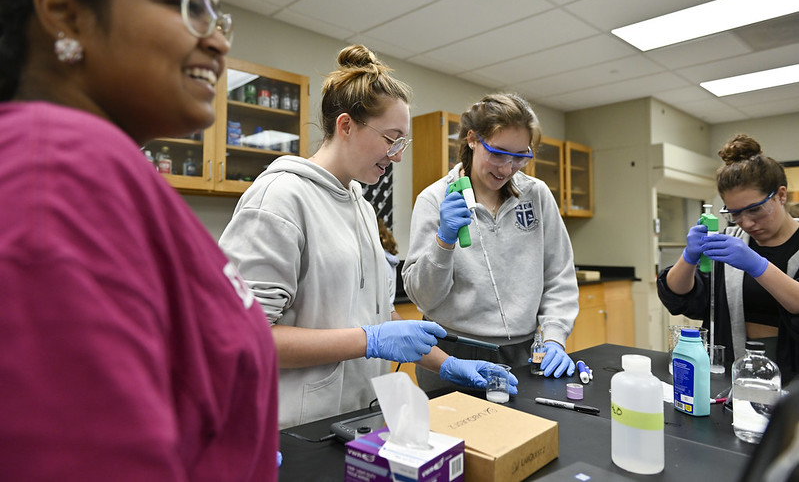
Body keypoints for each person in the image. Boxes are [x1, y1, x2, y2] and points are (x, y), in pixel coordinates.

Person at [0, 0, 280, 480]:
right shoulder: (57, 175)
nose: (218, 42)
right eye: (188, 3)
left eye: (219, 18)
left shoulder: (107, 172)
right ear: (63, 10)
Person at [218, 45, 515, 428]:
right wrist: (369, 341)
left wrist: (447, 364)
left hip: (356, 417)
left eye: (402, 142)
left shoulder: (360, 205)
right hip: (295, 428)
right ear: (346, 126)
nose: (398, 156)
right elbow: (246, 338)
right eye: (392, 138)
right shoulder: (278, 198)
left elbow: (378, 318)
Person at [402, 93, 580, 391]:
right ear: (472, 139)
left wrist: (554, 338)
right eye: (497, 153)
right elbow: (424, 298)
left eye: (519, 157)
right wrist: (443, 242)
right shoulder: (434, 200)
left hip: (522, 353)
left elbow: (559, 274)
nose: (507, 168)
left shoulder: (536, 195)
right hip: (453, 352)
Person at [658, 134, 799, 381]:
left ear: (781, 195)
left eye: (755, 209)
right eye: (735, 214)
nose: (746, 222)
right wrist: (688, 257)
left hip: (792, 372)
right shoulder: (730, 241)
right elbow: (679, 297)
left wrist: (757, 265)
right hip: (735, 370)